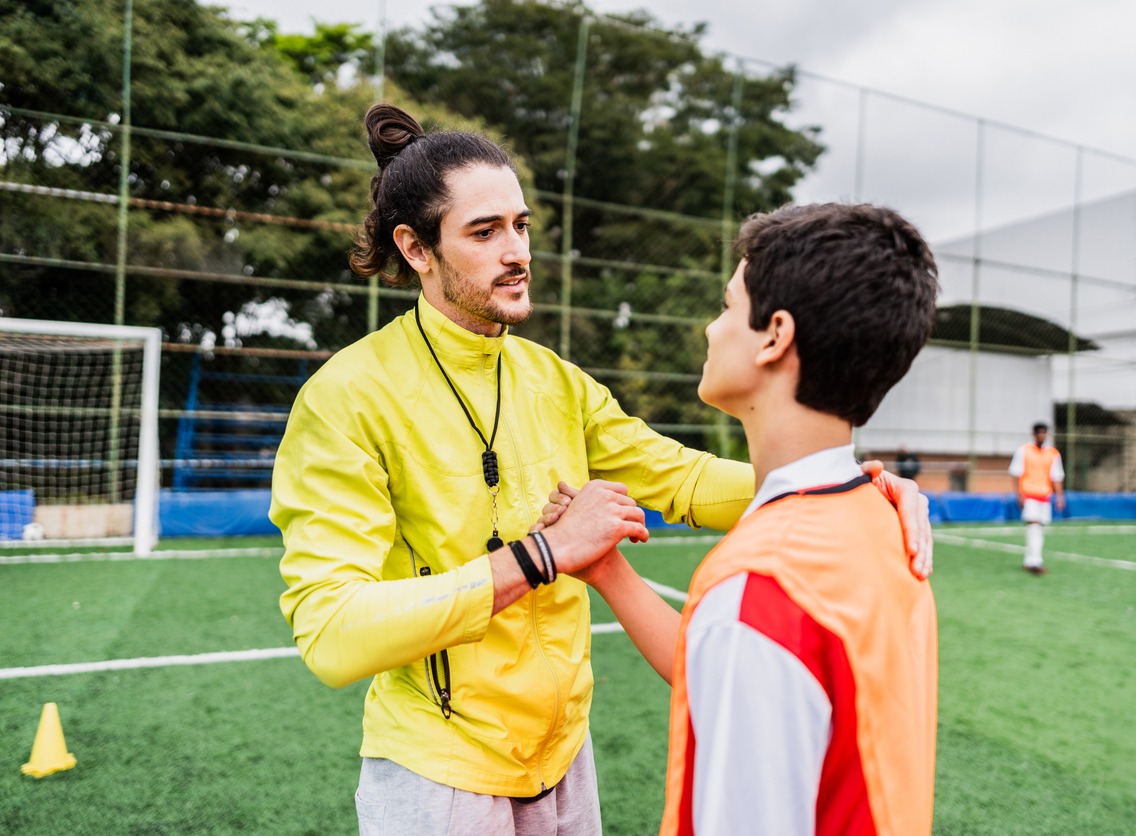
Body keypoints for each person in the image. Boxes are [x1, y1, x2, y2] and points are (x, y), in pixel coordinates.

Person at [270, 103, 931, 835]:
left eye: (520, 226)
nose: (516, 252)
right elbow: (332, 633)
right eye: (484, 233)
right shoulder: (346, 396)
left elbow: (681, 480)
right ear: (416, 248)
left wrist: (845, 479)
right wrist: (544, 554)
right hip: (438, 771)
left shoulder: (555, 380)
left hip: (565, 756)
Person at [545, 202, 940, 834]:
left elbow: (749, 647)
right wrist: (609, 572)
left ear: (775, 335)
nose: (711, 328)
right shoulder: (884, 518)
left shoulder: (761, 587)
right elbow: (731, 677)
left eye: (728, 306)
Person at [1009, 421, 1065, 575]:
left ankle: (1029, 560)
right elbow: (1016, 473)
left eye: (1044, 433)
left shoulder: (1053, 453)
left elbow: (1057, 476)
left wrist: (1060, 496)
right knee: (1034, 526)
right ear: (1034, 434)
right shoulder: (1024, 451)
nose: (1041, 435)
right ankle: (1035, 561)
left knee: (1037, 529)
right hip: (1029, 495)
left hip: (1045, 496)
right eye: (1039, 432)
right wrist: (1019, 493)